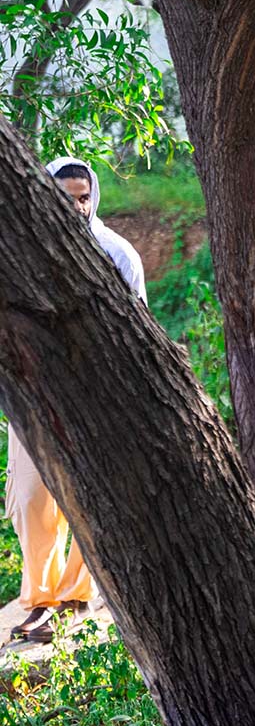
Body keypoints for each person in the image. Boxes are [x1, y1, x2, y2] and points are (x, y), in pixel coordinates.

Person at [7, 156, 146, 644]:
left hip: (98, 402)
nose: (76, 207)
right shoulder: (21, 256)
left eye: (83, 198)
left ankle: (75, 596)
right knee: (31, 502)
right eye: (65, 199)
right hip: (34, 400)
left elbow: (139, 331)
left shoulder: (116, 253)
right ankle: (38, 600)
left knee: (88, 501)